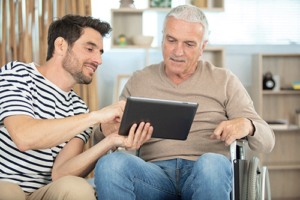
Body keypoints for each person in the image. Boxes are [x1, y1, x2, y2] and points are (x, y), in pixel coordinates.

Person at [94, 4, 275, 200]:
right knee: (109, 165)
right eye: (171, 40)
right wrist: (106, 129)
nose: (178, 51)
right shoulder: (139, 80)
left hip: (205, 172)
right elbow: (100, 139)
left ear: (202, 47)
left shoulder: (224, 80)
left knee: (212, 164)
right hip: (153, 176)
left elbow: (267, 141)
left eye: (189, 44)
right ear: (162, 39)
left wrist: (248, 126)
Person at [0, 14, 153, 200]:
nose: (98, 60)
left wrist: (111, 141)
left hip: (41, 193)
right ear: (61, 46)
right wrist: (96, 116)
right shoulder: (17, 74)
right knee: (9, 192)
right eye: (90, 48)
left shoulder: (79, 109)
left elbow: (61, 174)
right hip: (4, 185)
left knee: (78, 188)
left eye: (100, 53)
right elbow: (24, 137)